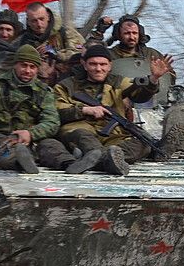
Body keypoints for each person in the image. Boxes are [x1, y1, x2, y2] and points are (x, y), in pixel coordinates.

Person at [41, 44, 172, 175]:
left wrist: (153, 79)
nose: (98, 69)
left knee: (142, 144)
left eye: (103, 64)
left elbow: (139, 95)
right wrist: (85, 110)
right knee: (82, 135)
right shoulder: (66, 85)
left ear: (109, 65)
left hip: (113, 135)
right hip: (80, 130)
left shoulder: (118, 82)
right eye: (93, 64)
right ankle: (105, 160)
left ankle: (100, 160)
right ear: (84, 64)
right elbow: (57, 110)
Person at [0, 45, 59, 173]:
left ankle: (70, 164)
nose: (27, 71)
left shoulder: (44, 92)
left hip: (33, 139)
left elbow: (52, 121)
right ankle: (21, 162)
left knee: (53, 146)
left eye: (32, 67)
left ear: (37, 69)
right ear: (15, 65)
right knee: (3, 152)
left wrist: (31, 134)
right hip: (2, 137)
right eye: (23, 65)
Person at [103, 15, 176, 83]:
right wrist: (99, 32)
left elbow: (170, 79)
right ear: (118, 34)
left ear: (140, 34)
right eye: (127, 33)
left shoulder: (151, 54)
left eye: (134, 33)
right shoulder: (109, 55)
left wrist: (163, 73)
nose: (131, 37)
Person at [21, 2, 84, 79]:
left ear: (48, 17)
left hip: (68, 80)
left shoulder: (65, 32)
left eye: (41, 19)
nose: (39, 24)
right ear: (28, 22)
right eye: (34, 21)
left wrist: (54, 52)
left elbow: (81, 51)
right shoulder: (24, 40)